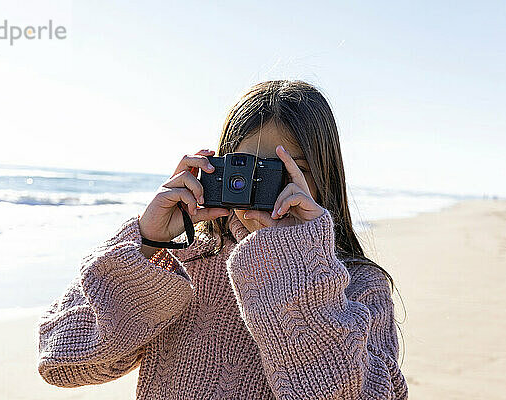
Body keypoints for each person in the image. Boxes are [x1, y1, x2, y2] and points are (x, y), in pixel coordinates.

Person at [36, 80, 409, 399]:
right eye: (248, 169)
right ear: (222, 169)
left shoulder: (355, 283)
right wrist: (146, 243)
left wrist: (297, 268)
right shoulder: (182, 264)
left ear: (323, 176)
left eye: (286, 171)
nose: (262, 188)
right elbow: (64, 362)